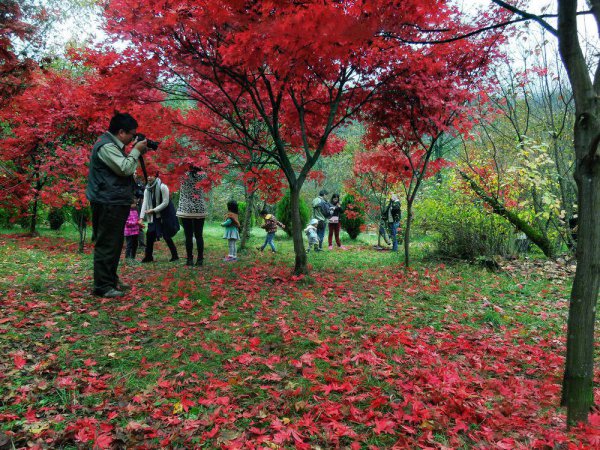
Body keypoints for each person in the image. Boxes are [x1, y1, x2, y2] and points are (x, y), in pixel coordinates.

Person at [86, 112, 148, 298]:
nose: (132, 139)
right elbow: (125, 168)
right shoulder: (106, 146)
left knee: (114, 243)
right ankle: (103, 287)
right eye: (131, 134)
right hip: (107, 202)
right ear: (121, 132)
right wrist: (136, 151)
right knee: (107, 244)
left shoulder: (113, 145)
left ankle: (110, 280)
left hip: (113, 201)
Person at [140, 172, 179, 263]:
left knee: (166, 236)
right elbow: (145, 203)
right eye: (148, 175)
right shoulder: (147, 189)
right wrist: (141, 218)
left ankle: (175, 256)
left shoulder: (163, 187)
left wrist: (153, 210)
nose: (149, 177)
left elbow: (165, 202)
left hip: (165, 215)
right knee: (149, 234)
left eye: (151, 175)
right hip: (154, 216)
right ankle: (148, 257)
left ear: (156, 176)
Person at [176, 167, 208, 266]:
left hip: (186, 208)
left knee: (188, 236)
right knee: (199, 235)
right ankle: (200, 259)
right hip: (199, 208)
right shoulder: (203, 175)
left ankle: (189, 259)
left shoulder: (183, 175)